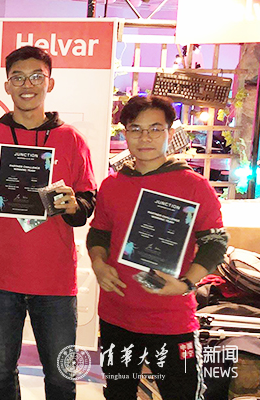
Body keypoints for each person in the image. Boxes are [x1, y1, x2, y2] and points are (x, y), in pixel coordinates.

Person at [0, 46, 97, 400]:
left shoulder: (71, 140)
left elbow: (86, 206)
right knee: (0, 372)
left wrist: (72, 204)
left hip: (54, 281)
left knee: (61, 378)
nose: (27, 85)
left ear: (49, 83)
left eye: (36, 76)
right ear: (7, 85)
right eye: (18, 77)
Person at [87, 95, 228, 400]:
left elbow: (215, 243)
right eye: (135, 129)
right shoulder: (112, 185)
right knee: (118, 394)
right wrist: (98, 264)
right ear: (125, 133)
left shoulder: (194, 186)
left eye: (155, 129)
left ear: (169, 132)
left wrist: (186, 284)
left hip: (171, 320)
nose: (145, 138)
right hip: (116, 316)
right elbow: (98, 233)